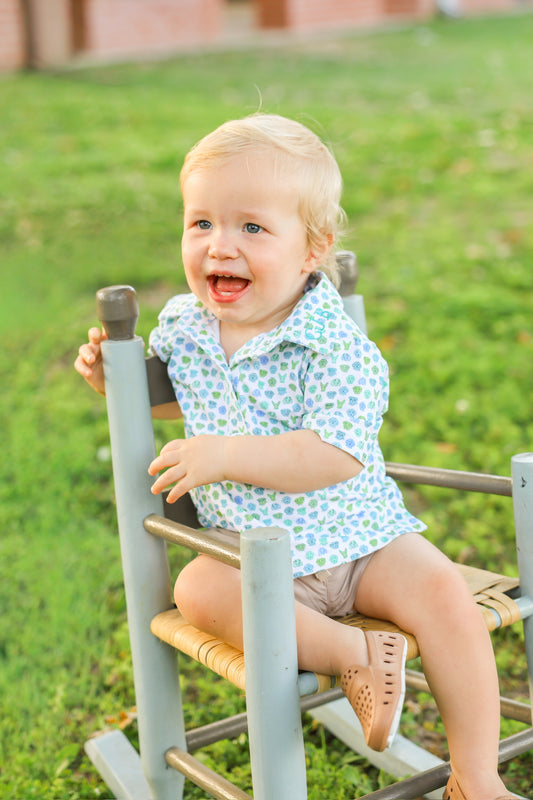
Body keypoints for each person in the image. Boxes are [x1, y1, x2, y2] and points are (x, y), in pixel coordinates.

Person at [75, 113, 521, 800]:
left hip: (363, 543)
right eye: (202, 224)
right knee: (196, 588)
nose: (221, 247)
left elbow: (333, 455)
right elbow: (166, 400)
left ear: (312, 247)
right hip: (251, 557)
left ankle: (475, 777)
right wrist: (114, 378)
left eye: (251, 228)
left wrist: (225, 454)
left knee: (447, 603)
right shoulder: (188, 329)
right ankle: (354, 656)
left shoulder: (332, 344)